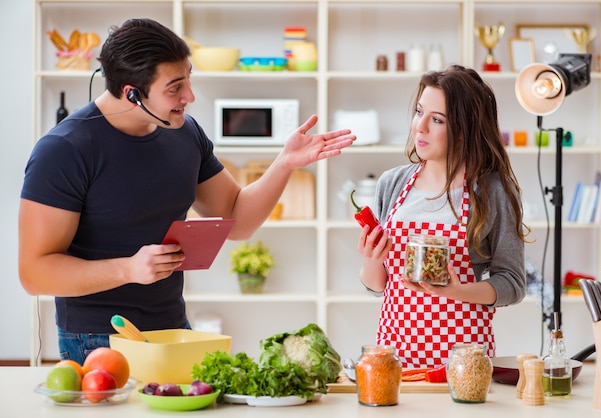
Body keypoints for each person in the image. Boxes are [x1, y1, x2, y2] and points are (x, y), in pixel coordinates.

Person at [19, 18, 355, 364]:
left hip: (173, 326)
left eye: (188, 78)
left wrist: (285, 162)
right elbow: (35, 272)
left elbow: (237, 220)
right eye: (174, 87)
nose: (190, 96)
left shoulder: (183, 132)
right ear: (131, 92)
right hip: (97, 339)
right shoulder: (65, 149)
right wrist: (129, 269)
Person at [357, 65, 527, 369]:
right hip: (397, 357)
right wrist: (371, 260)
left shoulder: (492, 192)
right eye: (419, 112)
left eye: (436, 120)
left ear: (464, 130)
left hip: (463, 363)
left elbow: (512, 283)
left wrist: (457, 291)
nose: (419, 127)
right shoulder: (392, 184)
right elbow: (378, 286)